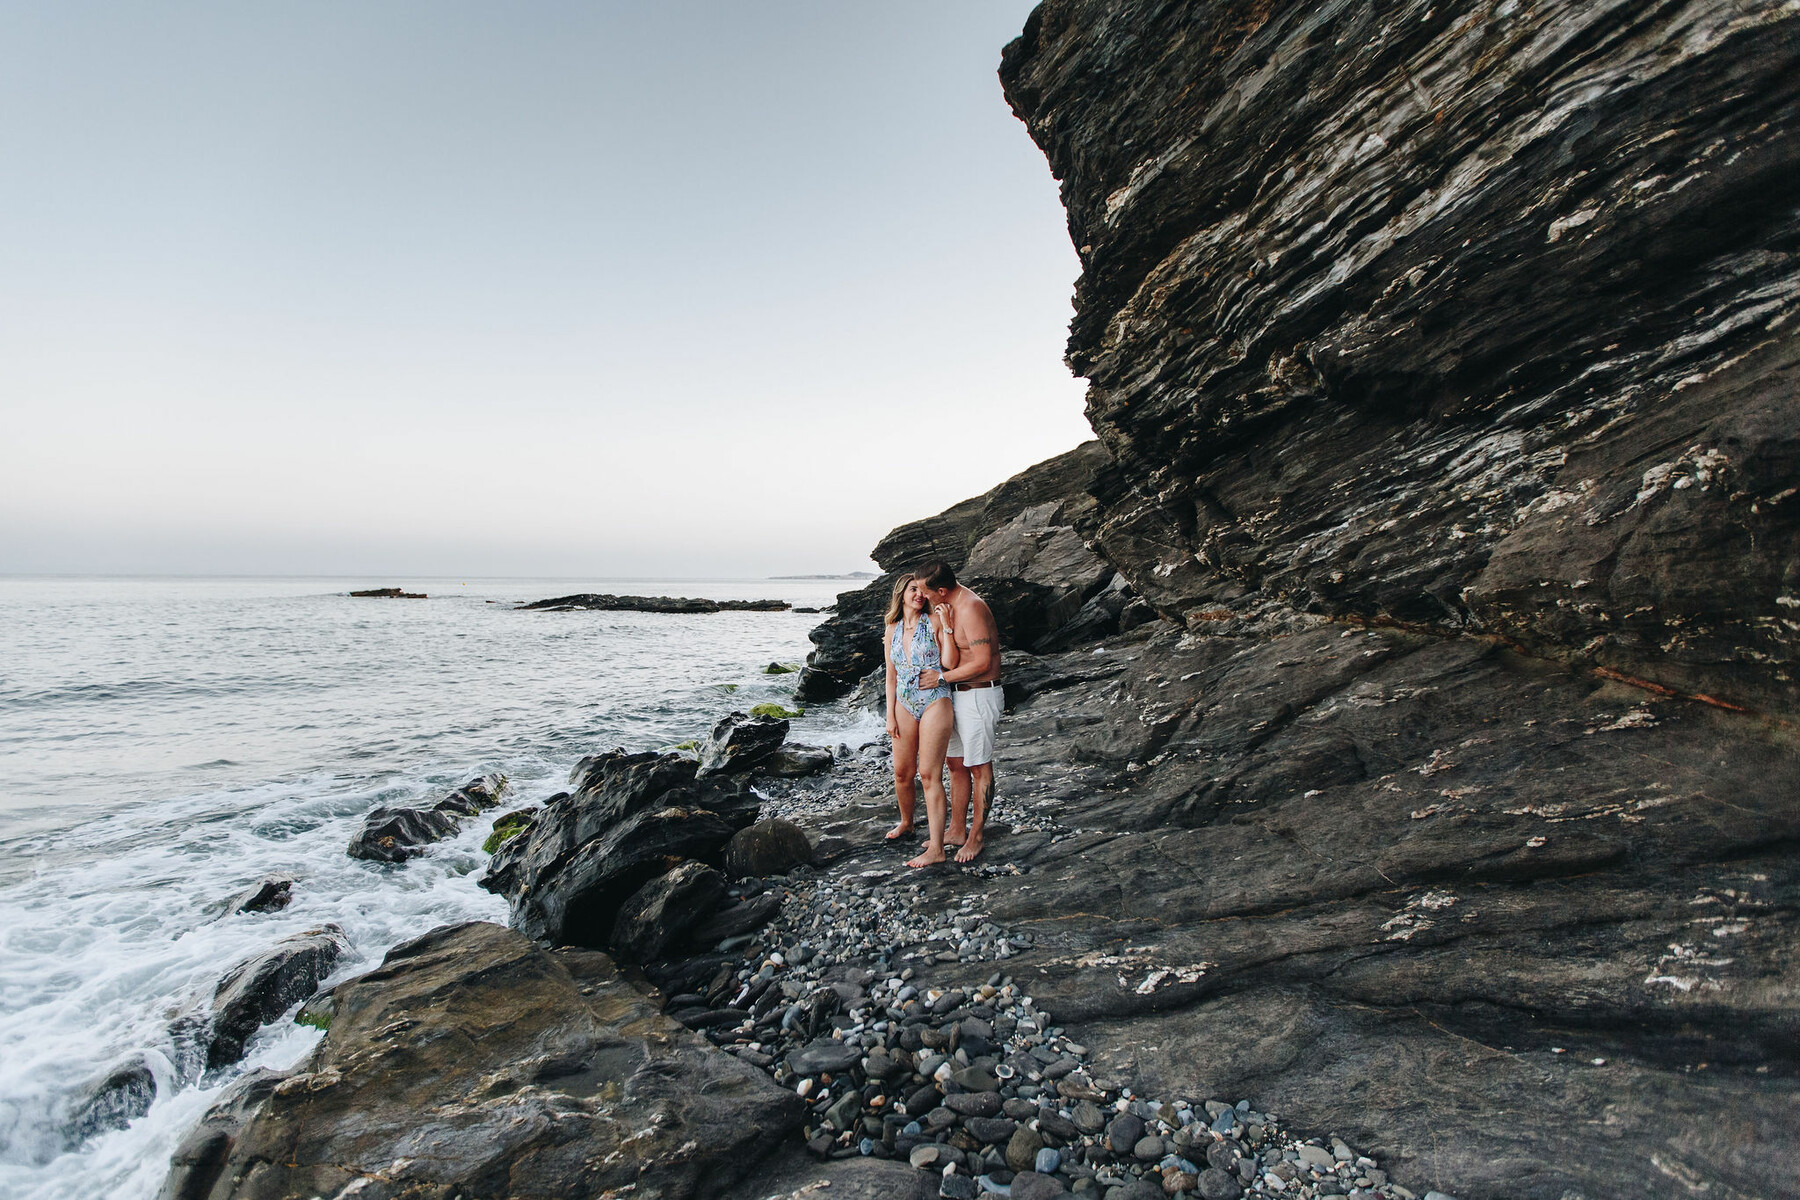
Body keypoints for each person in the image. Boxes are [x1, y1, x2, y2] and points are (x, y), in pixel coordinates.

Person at [913, 560, 1001, 863]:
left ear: (940, 590)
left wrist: (940, 678)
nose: (922, 598)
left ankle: (976, 837)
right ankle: (956, 829)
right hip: (955, 696)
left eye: (925, 592)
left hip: (979, 695)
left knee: (979, 768)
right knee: (956, 765)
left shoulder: (971, 607)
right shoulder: (946, 608)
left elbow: (983, 662)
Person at [881, 573, 958, 866]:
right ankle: (907, 822)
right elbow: (891, 676)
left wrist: (948, 628)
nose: (919, 594)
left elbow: (949, 663)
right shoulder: (892, 628)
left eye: (921, 590)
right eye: (913, 589)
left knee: (928, 774)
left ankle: (937, 848)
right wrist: (890, 715)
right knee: (902, 772)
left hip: (935, 699)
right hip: (904, 701)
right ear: (901, 594)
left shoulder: (934, 621)